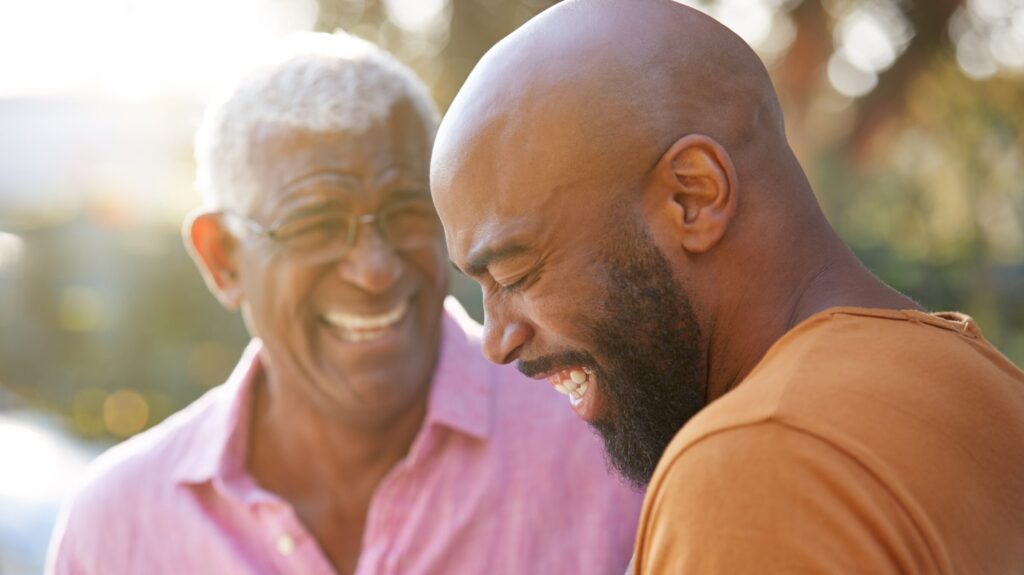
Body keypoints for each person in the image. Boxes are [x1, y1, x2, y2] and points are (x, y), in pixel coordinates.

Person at [430, 0, 1024, 572]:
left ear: (693, 197)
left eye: (514, 273)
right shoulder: (976, 379)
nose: (497, 341)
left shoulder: (759, 463)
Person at [47, 31, 642, 575]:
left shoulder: (611, 452)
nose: (376, 269)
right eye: (315, 224)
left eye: (407, 211)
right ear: (224, 259)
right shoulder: (115, 530)